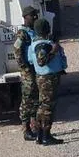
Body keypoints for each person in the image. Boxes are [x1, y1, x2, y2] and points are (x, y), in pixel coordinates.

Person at [29, 16, 67, 145]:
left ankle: (40, 135)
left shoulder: (36, 42)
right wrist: (53, 51)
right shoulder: (42, 45)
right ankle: (46, 135)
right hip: (48, 79)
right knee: (47, 108)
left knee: (42, 106)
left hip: (42, 77)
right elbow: (41, 61)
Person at [12, 5, 40, 141]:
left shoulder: (34, 31)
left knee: (36, 99)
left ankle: (35, 127)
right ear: (25, 17)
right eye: (32, 15)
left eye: (35, 15)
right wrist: (24, 67)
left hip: (37, 69)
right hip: (28, 71)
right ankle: (26, 129)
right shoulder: (22, 33)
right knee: (27, 100)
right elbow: (17, 50)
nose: (35, 17)